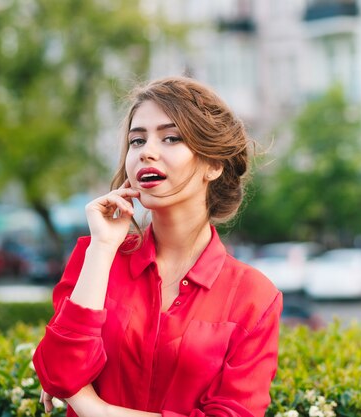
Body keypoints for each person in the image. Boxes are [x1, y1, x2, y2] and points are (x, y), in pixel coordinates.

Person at [33, 76, 282, 417]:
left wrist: (97, 410)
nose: (147, 152)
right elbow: (59, 372)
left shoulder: (254, 298)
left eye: (171, 138)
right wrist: (104, 247)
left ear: (212, 164)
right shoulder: (96, 257)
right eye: (137, 141)